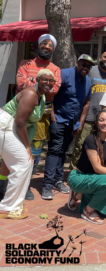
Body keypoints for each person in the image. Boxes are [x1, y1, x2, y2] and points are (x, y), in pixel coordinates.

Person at [0, 34, 62, 201]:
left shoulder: (56, 69)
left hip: (41, 115)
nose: (47, 47)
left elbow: (54, 89)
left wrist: (34, 81)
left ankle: (26, 184)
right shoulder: (25, 63)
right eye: (44, 43)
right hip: (20, 112)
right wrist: (39, 85)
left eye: (50, 45)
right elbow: (20, 83)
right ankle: (3, 184)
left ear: (53, 49)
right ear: (38, 45)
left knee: (33, 153)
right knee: (9, 153)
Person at [0, 70, 55, 219]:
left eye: (51, 81)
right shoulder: (31, 94)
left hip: (12, 128)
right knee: (23, 163)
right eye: (45, 79)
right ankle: (6, 207)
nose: (48, 83)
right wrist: (27, 147)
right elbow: (19, 123)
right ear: (37, 79)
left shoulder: (41, 96)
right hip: (6, 126)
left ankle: (14, 203)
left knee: (26, 163)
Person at [42, 54, 93, 200]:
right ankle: (47, 184)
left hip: (73, 124)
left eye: (89, 67)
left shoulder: (88, 81)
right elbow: (49, 96)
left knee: (63, 151)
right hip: (58, 120)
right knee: (54, 151)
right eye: (83, 64)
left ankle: (58, 180)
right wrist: (53, 119)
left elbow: (87, 103)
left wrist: (81, 123)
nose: (86, 68)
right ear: (77, 63)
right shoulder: (63, 74)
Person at [67, 110, 106, 224]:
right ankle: (88, 210)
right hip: (78, 178)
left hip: (93, 178)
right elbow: (97, 168)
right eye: (102, 120)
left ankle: (79, 196)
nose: (105, 123)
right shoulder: (90, 139)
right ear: (96, 122)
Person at [69, 51, 106, 170]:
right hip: (88, 117)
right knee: (80, 146)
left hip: (103, 121)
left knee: (100, 147)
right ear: (100, 58)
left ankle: (94, 172)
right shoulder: (91, 71)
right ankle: (73, 173)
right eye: (105, 57)